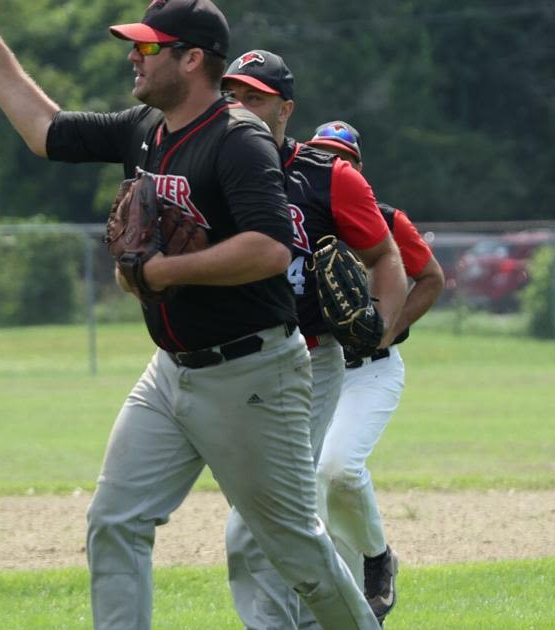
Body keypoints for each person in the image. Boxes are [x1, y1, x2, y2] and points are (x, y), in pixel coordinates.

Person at [0, 2, 380, 628]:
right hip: (170, 372)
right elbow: (45, 130)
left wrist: (163, 272)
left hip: (251, 374)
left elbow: (271, 248)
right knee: (115, 520)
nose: (134, 55)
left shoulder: (237, 139)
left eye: (149, 47)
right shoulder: (144, 127)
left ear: (192, 59)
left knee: (294, 550)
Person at [221, 52, 409, 628]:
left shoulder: (330, 178)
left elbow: (400, 265)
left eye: (255, 96)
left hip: (309, 360)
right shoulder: (217, 169)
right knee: (283, 520)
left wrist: (377, 327)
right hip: (236, 367)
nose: (240, 106)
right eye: (232, 95)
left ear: (286, 108)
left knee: (256, 524)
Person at [308, 120, 446, 624]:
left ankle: (377, 558)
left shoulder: (385, 219)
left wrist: (388, 328)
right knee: (314, 493)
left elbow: (430, 277)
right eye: (321, 152)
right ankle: (345, 603)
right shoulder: (297, 217)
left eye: (342, 156)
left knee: (338, 468)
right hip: (312, 370)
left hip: (371, 371)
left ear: (358, 169)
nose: (331, 162)